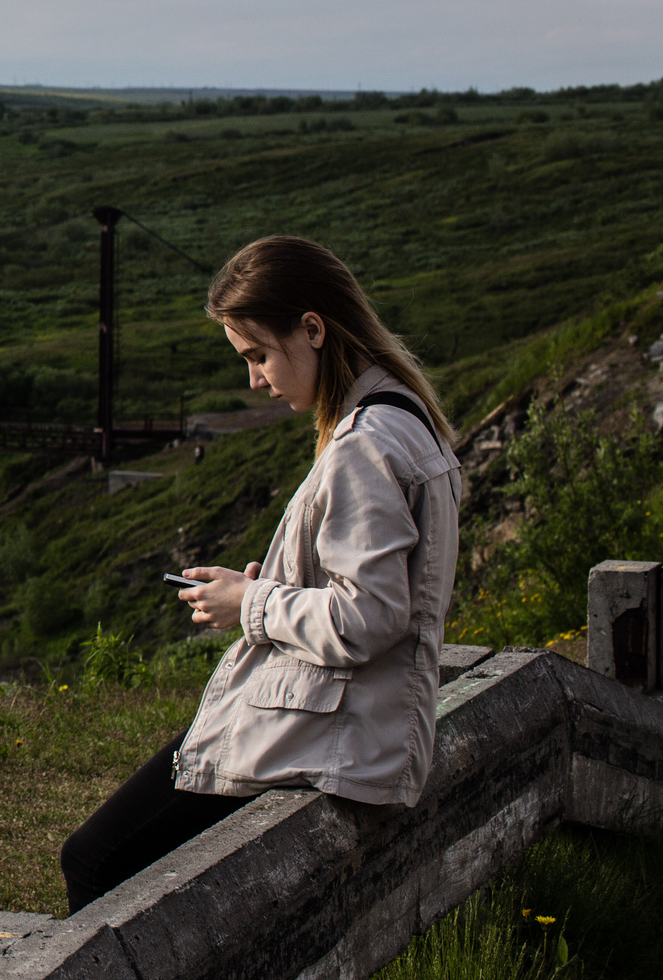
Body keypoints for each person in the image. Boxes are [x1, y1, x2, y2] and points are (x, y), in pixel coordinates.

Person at [57, 236, 463, 913]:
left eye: (257, 355)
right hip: (354, 728)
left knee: (95, 858)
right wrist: (270, 590)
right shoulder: (407, 419)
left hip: (336, 737)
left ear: (312, 328)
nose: (254, 379)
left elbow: (369, 618)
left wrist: (250, 600)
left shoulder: (361, 447)